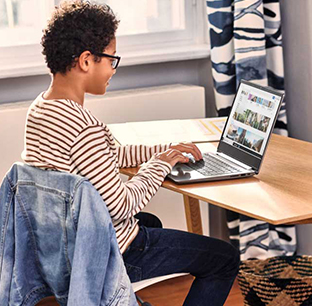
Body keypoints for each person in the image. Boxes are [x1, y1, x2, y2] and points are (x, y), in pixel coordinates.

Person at [22, 1, 239, 305]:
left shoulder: (41, 110)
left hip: (61, 249)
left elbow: (107, 156)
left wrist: (165, 151)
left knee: (149, 222)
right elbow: (123, 206)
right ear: (87, 60)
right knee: (223, 259)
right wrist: (159, 165)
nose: (113, 69)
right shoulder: (84, 128)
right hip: (103, 252)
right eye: (112, 59)